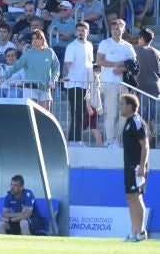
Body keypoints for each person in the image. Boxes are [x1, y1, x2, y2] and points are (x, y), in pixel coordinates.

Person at [96, 19, 136, 148]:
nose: (115, 31)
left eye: (118, 28)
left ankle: (117, 139)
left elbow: (134, 65)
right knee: (111, 113)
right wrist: (115, 65)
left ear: (123, 30)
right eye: (113, 28)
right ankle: (109, 140)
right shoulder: (104, 43)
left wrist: (121, 69)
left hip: (124, 84)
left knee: (124, 114)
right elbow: (99, 61)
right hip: (109, 83)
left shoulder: (128, 46)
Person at [120, 93, 149, 242]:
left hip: (137, 167)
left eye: (122, 104)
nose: (121, 107)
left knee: (137, 197)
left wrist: (142, 167)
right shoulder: (129, 122)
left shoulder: (137, 122)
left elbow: (145, 146)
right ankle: (133, 231)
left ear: (130, 106)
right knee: (130, 197)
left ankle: (141, 231)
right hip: (128, 167)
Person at [63, 22, 94, 146]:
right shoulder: (72, 46)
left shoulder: (90, 45)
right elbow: (68, 64)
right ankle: (75, 140)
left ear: (88, 32)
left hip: (85, 83)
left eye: (83, 30)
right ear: (76, 32)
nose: (81, 32)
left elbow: (90, 63)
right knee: (77, 112)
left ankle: (74, 140)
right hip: (74, 83)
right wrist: (73, 76)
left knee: (80, 113)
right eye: (79, 30)